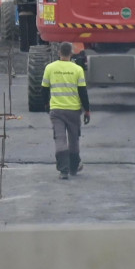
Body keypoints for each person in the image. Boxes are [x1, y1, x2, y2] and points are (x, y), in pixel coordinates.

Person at [41, 42, 91, 180]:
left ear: (59, 53)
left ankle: (63, 170)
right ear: (71, 53)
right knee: (74, 140)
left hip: (56, 110)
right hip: (73, 111)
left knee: (60, 139)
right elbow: (83, 92)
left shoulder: (50, 68)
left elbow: (44, 89)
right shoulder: (77, 69)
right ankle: (74, 168)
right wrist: (87, 110)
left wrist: (46, 105)